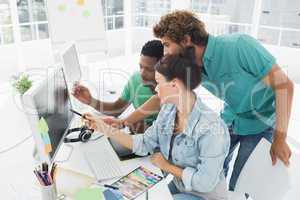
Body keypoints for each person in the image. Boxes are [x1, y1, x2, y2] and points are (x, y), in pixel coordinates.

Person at [106, 10, 294, 191]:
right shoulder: (191, 64)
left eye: (166, 44)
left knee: (240, 183)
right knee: (212, 174)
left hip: (260, 123)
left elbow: (284, 86)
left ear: (186, 40)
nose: (165, 51)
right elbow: (164, 95)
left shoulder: (239, 46)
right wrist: (123, 122)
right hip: (231, 118)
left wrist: (280, 138)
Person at [84, 48, 230, 200]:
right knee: (113, 194)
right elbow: (144, 143)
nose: (156, 88)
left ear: (174, 85)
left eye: (159, 82)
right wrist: (104, 128)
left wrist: (166, 166)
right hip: (181, 186)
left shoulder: (212, 128)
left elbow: (204, 183)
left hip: (203, 195)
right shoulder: (169, 110)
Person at [72, 40, 163, 133]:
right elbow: (117, 108)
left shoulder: (170, 92)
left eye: (149, 69)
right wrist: (90, 101)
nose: (142, 73)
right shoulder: (136, 79)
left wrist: (145, 129)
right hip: (138, 138)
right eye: (141, 67)